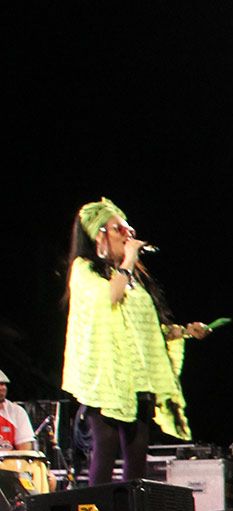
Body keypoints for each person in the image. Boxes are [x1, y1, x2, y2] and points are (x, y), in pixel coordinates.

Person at [63, 198, 212, 484]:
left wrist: (182, 331)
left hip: (138, 379)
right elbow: (111, 297)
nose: (128, 234)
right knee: (104, 450)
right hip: (104, 378)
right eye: (119, 228)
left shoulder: (135, 281)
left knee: (137, 457)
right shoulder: (84, 271)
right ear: (99, 235)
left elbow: (148, 330)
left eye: (129, 228)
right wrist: (129, 260)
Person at [0, 371, 36, 451]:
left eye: (3, 384)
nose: (2, 388)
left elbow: (25, 451)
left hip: (8, 463)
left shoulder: (17, 412)